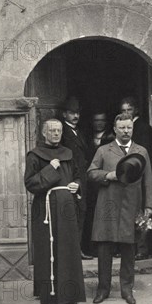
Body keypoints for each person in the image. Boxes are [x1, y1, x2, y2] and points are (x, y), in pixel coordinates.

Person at [87, 113, 152, 304]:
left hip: (131, 205)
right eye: (122, 128)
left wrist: (149, 206)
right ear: (115, 129)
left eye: (129, 127)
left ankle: (127, 290)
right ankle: (103, 290)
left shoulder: (141, 151)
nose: (126, 131)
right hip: (107, 205)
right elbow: (90, 173)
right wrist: (108, 175)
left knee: (128, 250)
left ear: (132, 129)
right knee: (104, 250)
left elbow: (148, 179)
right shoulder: (103, 150)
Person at [24, 119, 87, 304]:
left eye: (59, 130)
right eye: (52, 131)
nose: (56, 134)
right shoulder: (35, 155)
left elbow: (77, 175)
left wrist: (77, 185)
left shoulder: (68, 153)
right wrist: (50, 169)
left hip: (67, 208)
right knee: (47, 249)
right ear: (44, 133)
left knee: (68, 249)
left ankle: (70, 295)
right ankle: (50, 295)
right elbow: (30, 183)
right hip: (45, 210)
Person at [120, 96, 152, 260]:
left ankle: (142, 248)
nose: (126, 113)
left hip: (139, 173)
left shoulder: (143, 128)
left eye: (129, 110)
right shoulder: (122, 128)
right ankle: (127, 247)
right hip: (126, 176)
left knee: (142, 213)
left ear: (136, 110)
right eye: (124, 110)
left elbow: (143, 153)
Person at [60, 96, 92, 260]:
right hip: (70, 180)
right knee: (71, 215)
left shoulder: (78, 131)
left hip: (81, 179)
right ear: (64, 114)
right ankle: (71, 253)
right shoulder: (62, 132)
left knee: (81, 213)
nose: (76, 116)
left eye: (78, 113)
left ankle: (78, 249)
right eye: (72, 113)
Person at [83, 111, 115, 257]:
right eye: (96, 120)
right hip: (91, 182)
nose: (99, 123)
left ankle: (113, 249)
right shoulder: (86, 137)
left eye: (102, 120)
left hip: (109, 182)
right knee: (91, 215)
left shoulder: (112, 138)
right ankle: (91, 248)